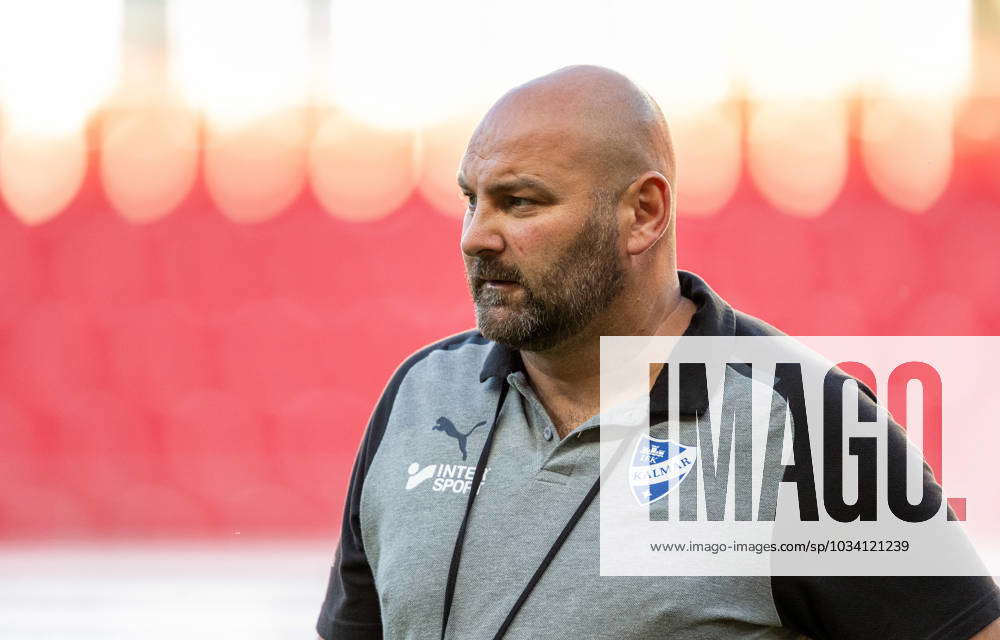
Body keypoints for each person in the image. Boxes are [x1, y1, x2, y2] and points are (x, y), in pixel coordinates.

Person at [316, 65, 1000, 639]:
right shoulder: (420, 395)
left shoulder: (802, 422)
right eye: (472, 201)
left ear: (643, 213)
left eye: (519, 203)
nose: (476, 236)